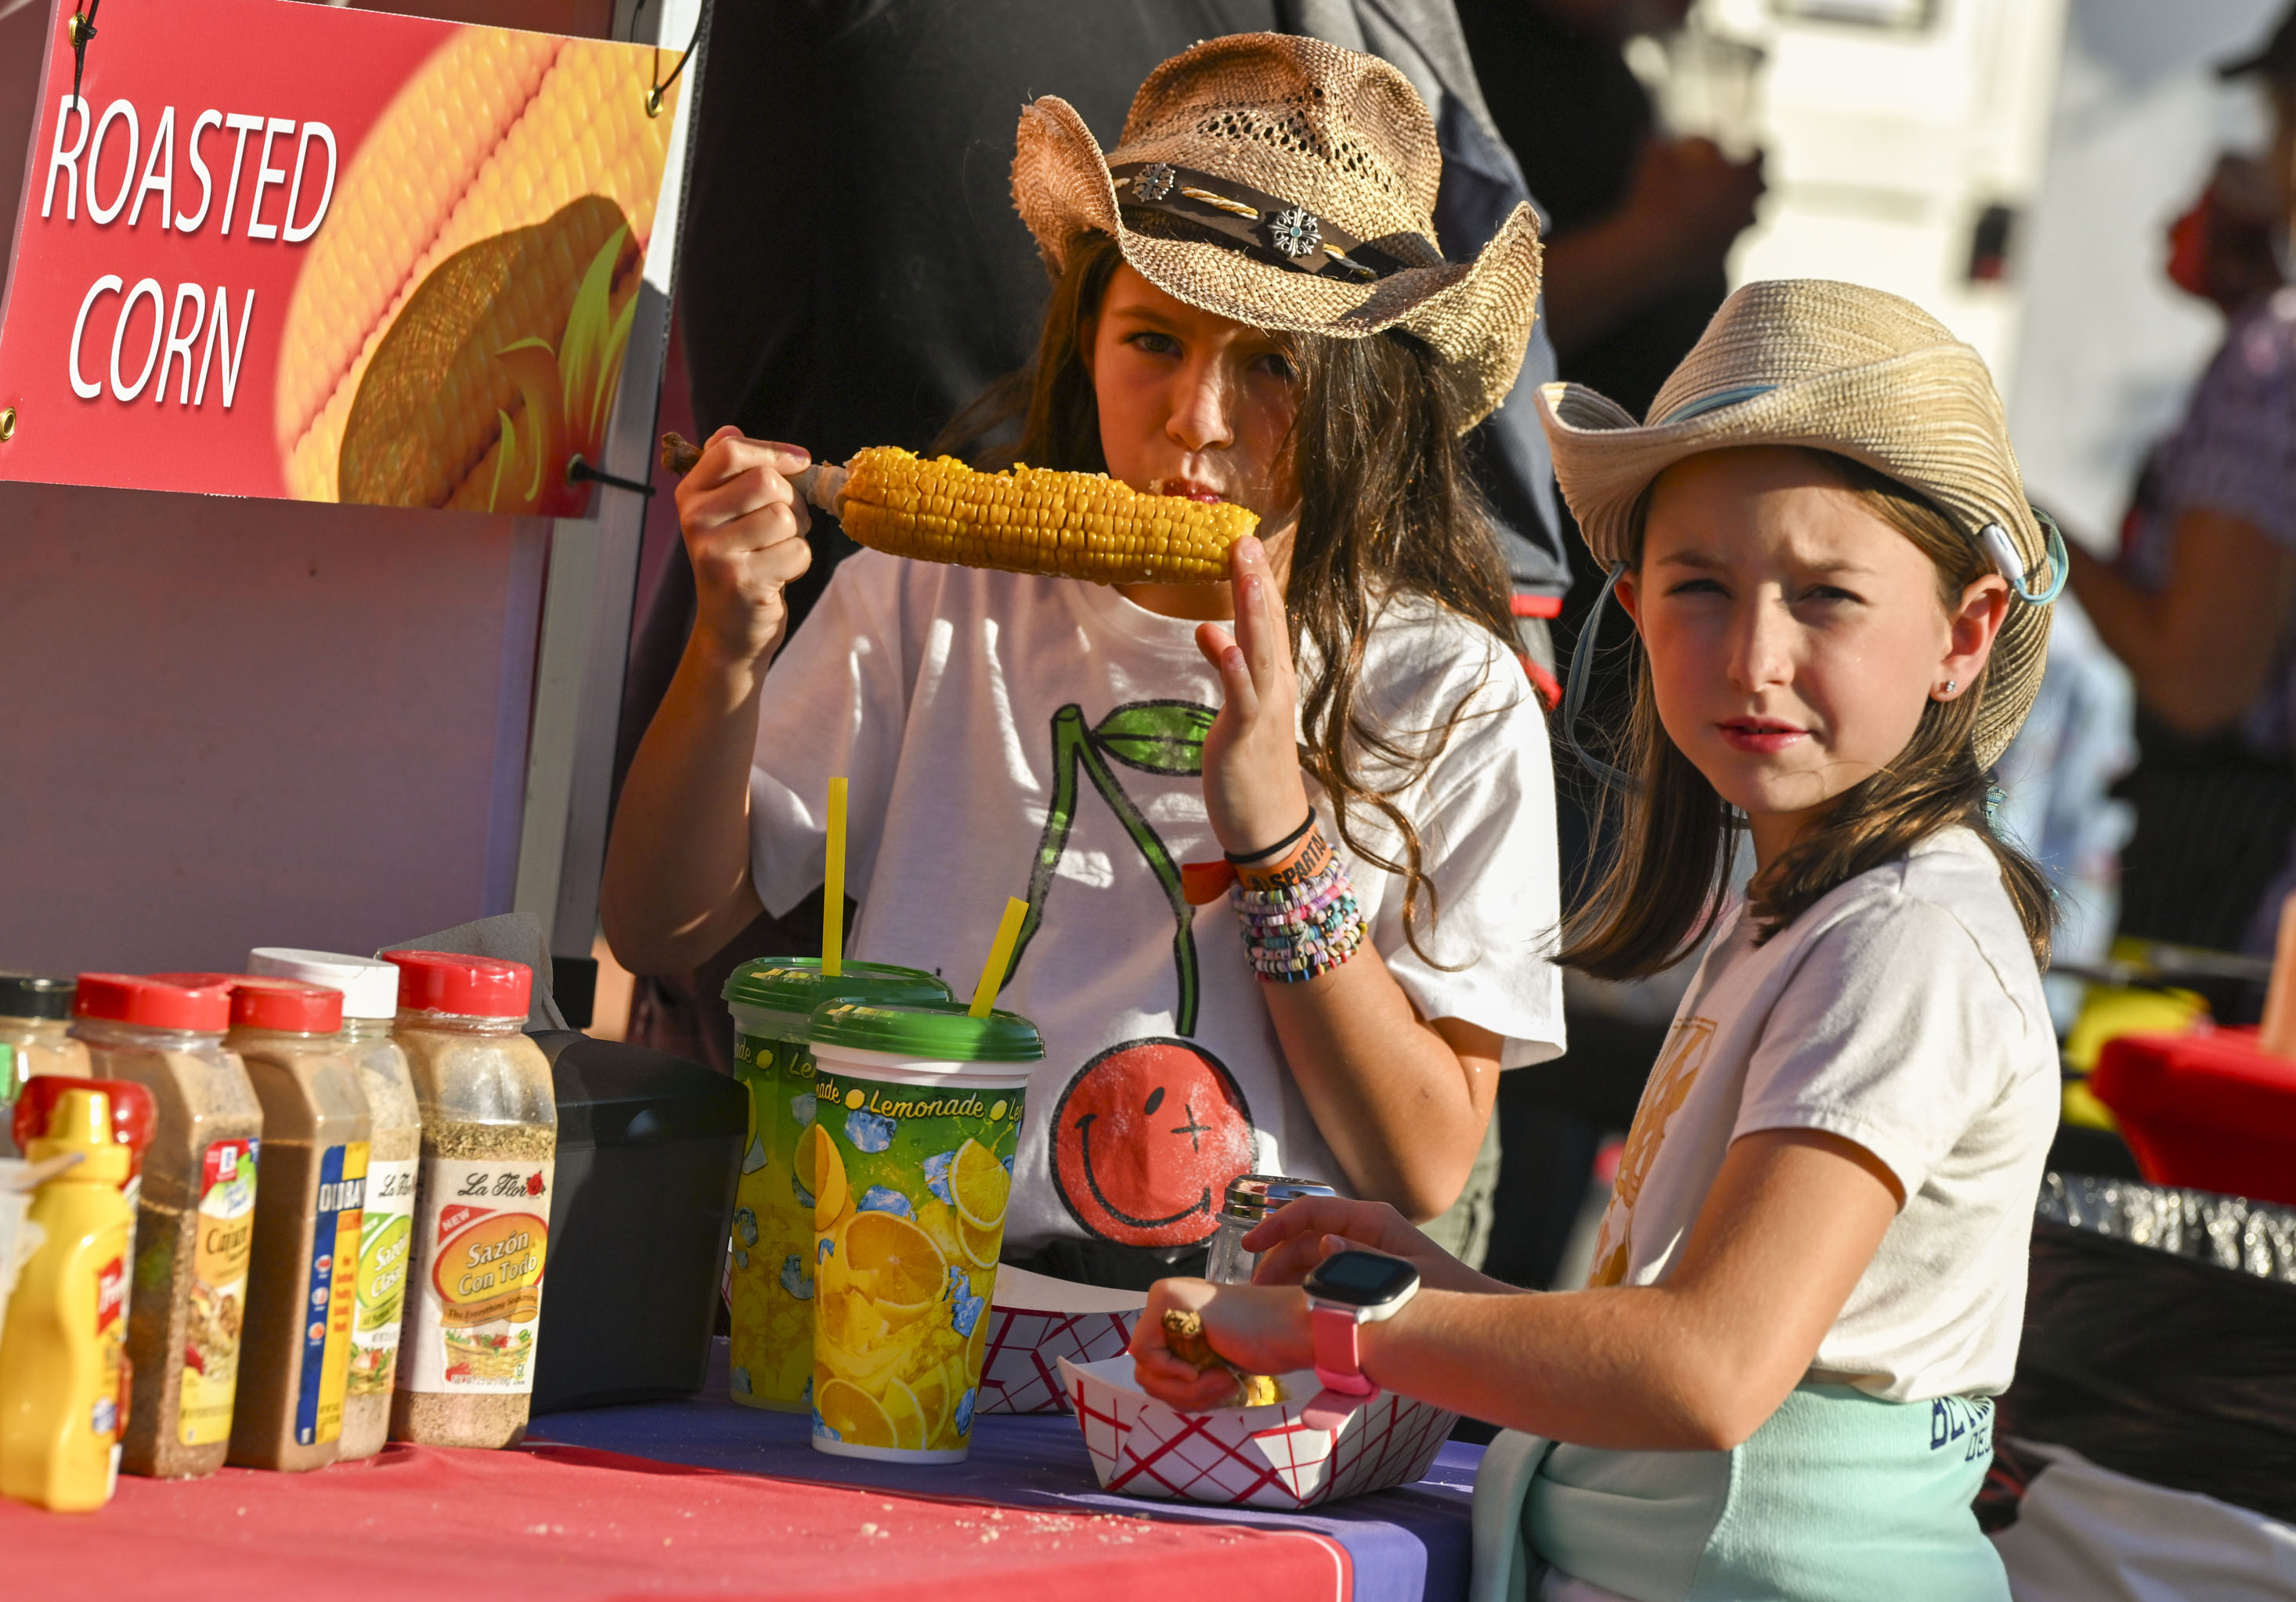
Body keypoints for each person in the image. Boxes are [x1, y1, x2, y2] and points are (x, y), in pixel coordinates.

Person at [1131, 280, 2063, 1599]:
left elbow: (1707, 1370)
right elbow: (1696, 1341)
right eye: (1700, 587)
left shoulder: (1905, 936)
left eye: (1826, 597)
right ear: (1629, 603)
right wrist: (1430, 1282)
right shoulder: (1807, 906)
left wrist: (1333, 1324)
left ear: (1963, 633)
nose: (1752, 657)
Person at [603, 34, 1566, 1290]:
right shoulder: (928, 603)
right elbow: (661, 919)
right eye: (1153, 341)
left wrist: (1276, 833)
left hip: (1220, 1365)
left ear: (1369, 398)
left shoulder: (1448, 695)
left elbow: (1425, 1160)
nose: (1195, 419)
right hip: (895, 1297)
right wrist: (728, 648)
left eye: (1272, 364)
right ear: (1084, 335)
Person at [2066, 13, 2296, 958]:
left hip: (2234, 887)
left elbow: (2199, 680)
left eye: (2280, 126)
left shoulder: (2273, 362)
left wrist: (2025, 525)